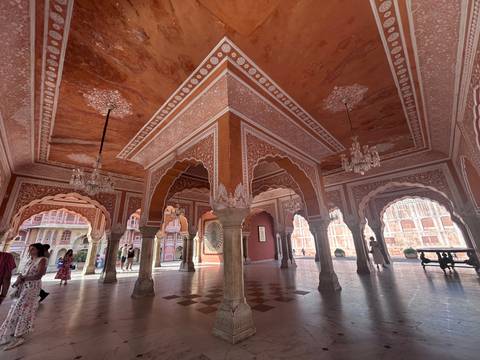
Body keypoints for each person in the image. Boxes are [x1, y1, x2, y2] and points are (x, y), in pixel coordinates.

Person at [0, 243, 47, 350]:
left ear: (38, 250)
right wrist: (19, 280)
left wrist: (24, 278)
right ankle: (11, 332)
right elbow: (24, 273)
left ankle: (19, 335)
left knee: (23, 309)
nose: (30, 251)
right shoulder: (30, 259)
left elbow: (39, 275)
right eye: (30, 249)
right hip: (23, 287)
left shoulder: (42, 260)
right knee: (15, 308)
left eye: (33, 249)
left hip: (31, 288)